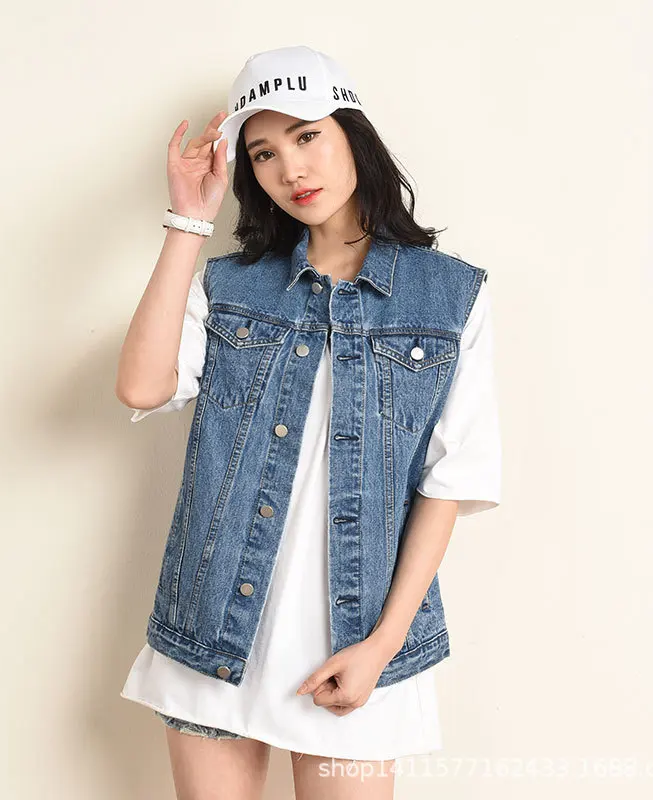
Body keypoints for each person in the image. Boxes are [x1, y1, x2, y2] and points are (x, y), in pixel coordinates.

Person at [116, 45, 502, 799]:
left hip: (356, 642)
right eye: (264, 152)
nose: (290, 168)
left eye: (307, 135)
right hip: (213, 631)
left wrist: (382, 647)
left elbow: (448, 484)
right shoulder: (233, 286)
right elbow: (140, 385)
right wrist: (188, 220)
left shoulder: (450, 296)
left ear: (353, 134)